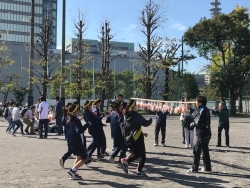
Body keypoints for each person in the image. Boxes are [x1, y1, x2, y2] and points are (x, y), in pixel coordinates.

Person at [120, 99, 152, 176]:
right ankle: (138, 171)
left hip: (130, 137)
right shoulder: (136, 115)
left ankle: (126, 161)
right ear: (133, 106)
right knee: (142, 155)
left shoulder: (126, 114)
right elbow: (146, 123)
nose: (136, 106)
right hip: (137, 137)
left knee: (136, 153)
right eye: (135, 105)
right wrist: (151, 119)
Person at [187, 96, 212, 173]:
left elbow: (197, 122)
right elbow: (196, 117)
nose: (195, 102)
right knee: (205, 150)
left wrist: (192, 124)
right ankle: (207, 168)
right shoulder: (205, 109)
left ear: (200, 102)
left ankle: (194, 168)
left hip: (201, 133)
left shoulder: (202, 110)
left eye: (196, 101)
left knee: (196, 150)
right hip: (207, 133)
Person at [66, 104, 89, 180]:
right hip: (77, 142)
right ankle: (72, 170)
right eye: (78, 110)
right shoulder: (76, 120)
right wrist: (87, 125)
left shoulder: (69, 120)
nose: (79, 111)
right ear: (75, 112)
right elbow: (79, 131)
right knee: (85, 158)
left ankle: (73, 173)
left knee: (78, 157)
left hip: (71, 142)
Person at [107, 100, 126, 168]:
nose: (122, 106)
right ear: (118, 106)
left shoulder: (112, 113)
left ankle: (112, 157)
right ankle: (120, 163)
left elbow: (107, 120)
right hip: (119, 133)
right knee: (123, 147)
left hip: (113, 132)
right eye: (121, 105)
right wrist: (123, 123)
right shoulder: (119, 114)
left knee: (118, 146)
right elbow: (121, 121)